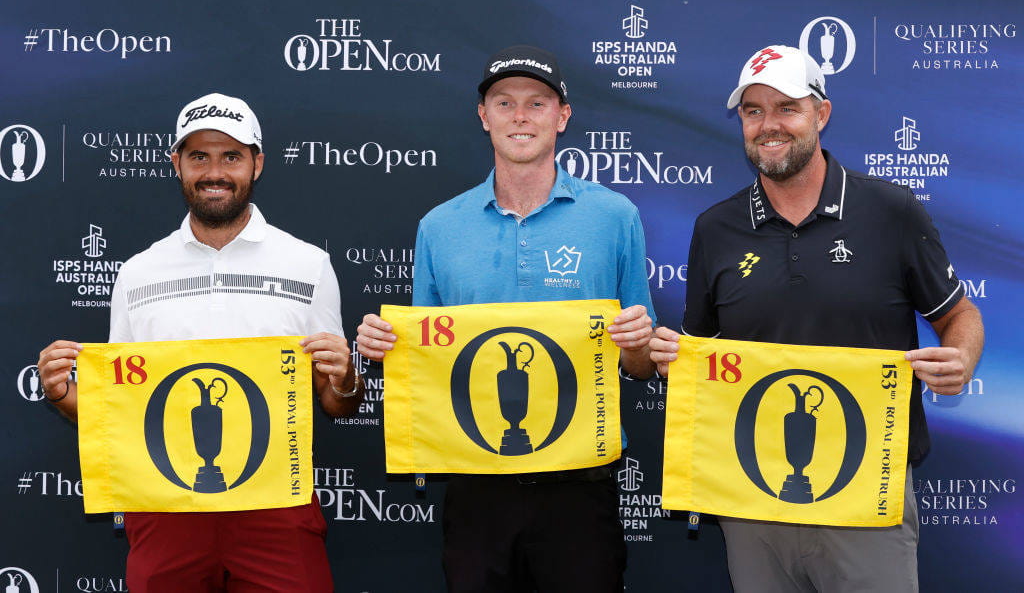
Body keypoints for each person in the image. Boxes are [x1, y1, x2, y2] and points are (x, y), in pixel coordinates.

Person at [649, 45, 984, 593]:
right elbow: (700, 357)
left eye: (786, 108)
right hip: (750, 497)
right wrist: (671, 362)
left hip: (867, 496)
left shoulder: (892, 212)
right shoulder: (716, 228)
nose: (768, 125)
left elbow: (958, 313)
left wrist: (963, 356)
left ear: (821, 114)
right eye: (753, 111)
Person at [356, 45, 656, 592]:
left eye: (537, 103)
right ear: (483, 116)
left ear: (562, 117)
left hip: (579, 484)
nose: (521, 116)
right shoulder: (439, 227)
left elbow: (639, 366)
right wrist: (385, 346)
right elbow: (427, 362)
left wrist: (639, 343)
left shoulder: (615, 217)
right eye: (504, 102)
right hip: (475, 484)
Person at [36, 92, 363, 592]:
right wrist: (63, 396)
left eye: (231, 156)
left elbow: (336, 404)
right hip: (165, 509)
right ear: (177, 165)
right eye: (198, 157)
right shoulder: (137, 272)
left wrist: (344, 379)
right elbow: (121, 408)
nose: (215, 171)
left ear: (257, 163)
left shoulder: (308, 264)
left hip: (276, 505)